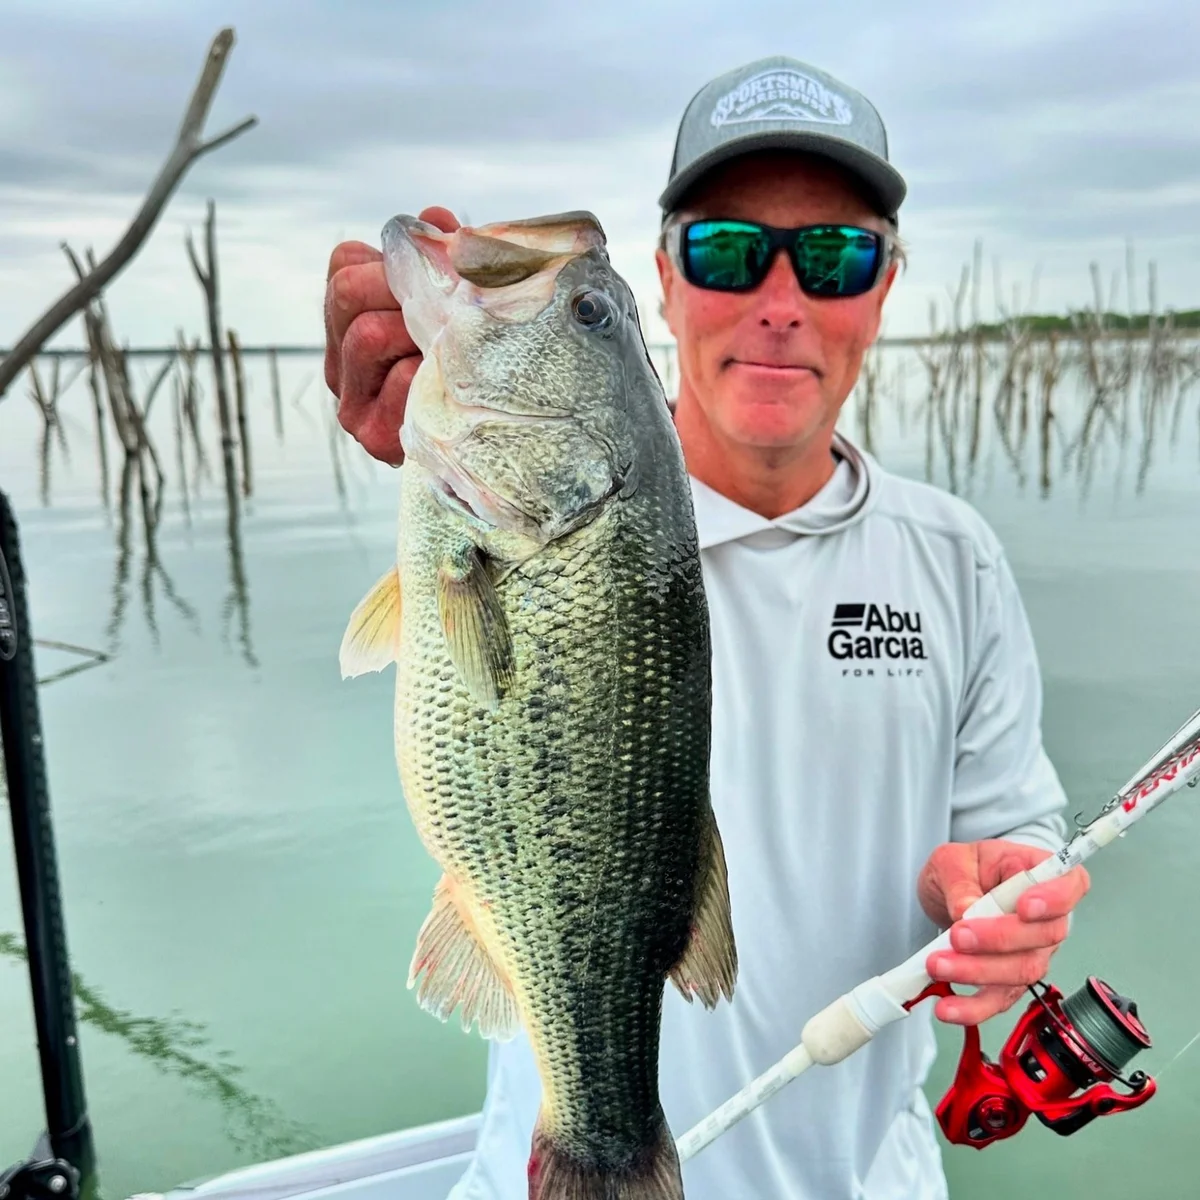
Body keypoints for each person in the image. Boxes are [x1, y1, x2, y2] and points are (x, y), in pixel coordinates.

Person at [324, 55, 1089, 1200]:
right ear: (667, 283)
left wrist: (1006, 886)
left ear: (884, 289)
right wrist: (417, 430)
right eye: (729, 250)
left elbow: (1017, 822)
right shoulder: (483, 502)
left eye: (836, 256)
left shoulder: (955, 556)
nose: (781, 301)